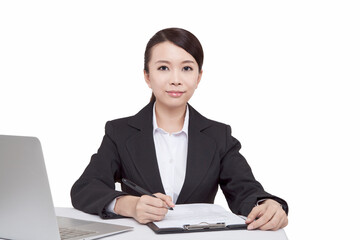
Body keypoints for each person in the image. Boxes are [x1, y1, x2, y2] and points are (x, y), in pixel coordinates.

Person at [71, 27, 289, 231]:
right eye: (163, 68)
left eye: (186, 68)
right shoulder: (120, 132)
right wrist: (128, 205)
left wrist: (267, 204)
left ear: (198, 77)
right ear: (147, 76)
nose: (175, 80)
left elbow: (245, 190)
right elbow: (85, 188)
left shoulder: (218, 136)